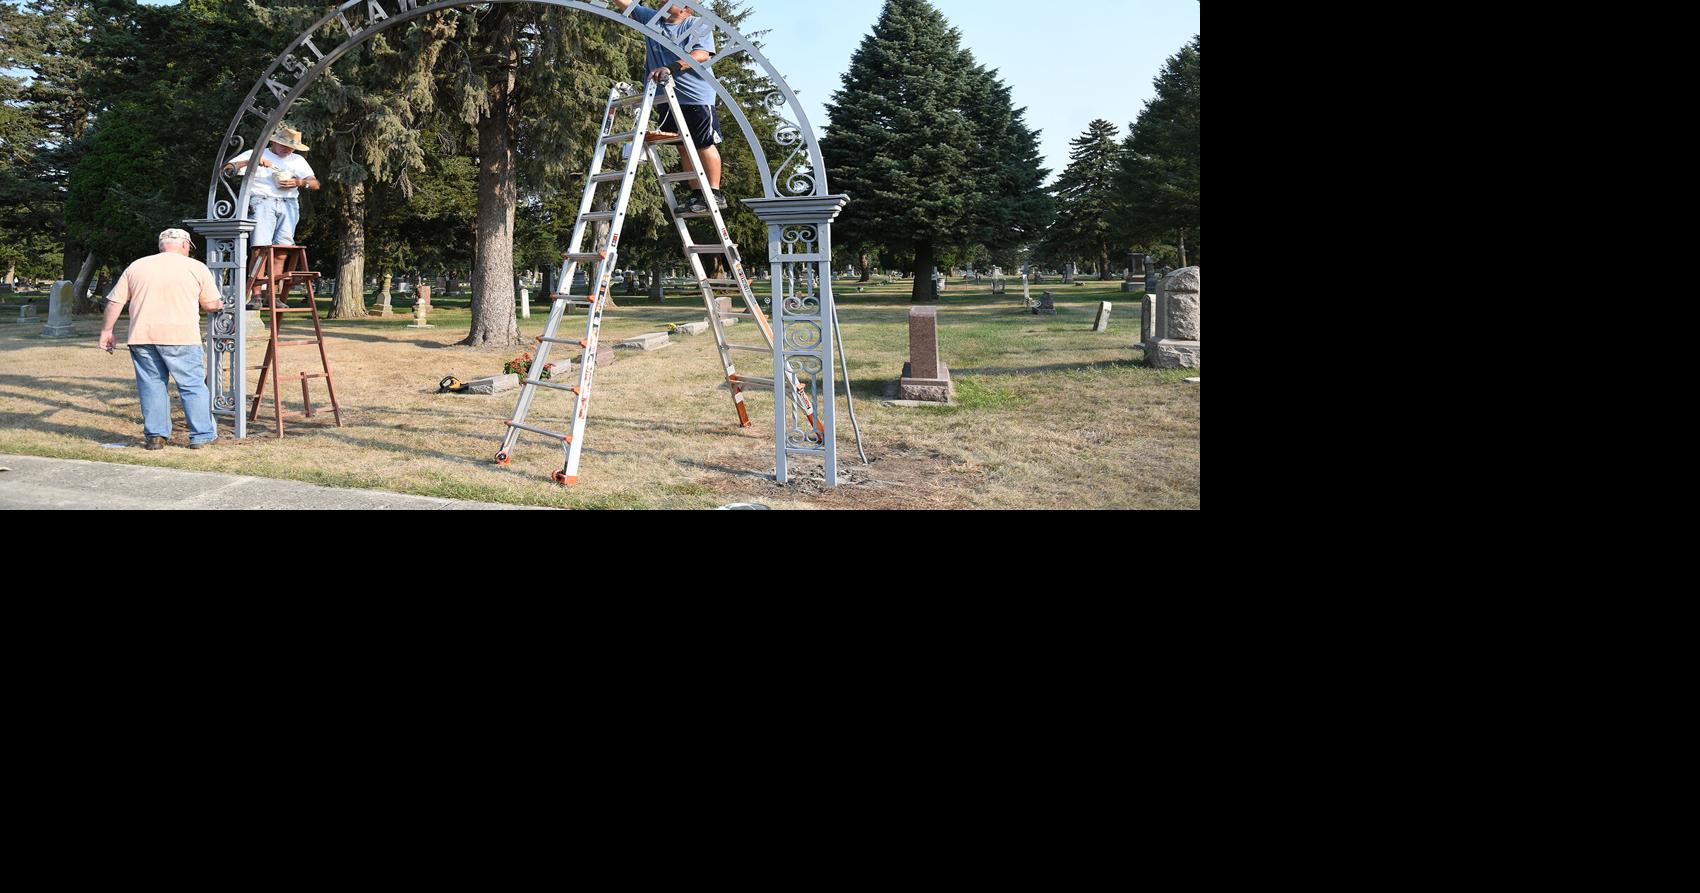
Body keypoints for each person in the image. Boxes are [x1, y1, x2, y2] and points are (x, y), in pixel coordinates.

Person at [99, 229, 225, 450]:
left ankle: (156, 436)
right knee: (192, 386)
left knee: (152, 386)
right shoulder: (196, 267)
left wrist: (107, 331)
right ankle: (201, 435)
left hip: (142, 336)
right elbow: (209, 305)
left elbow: (115, 302)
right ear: (185, 245)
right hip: (182, 336)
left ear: (161, 245)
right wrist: (221, 304)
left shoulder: (137, 266)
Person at [613, 0, 726, 214]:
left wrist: (671, 68)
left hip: (695, 96)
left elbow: (702, 54)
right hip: (667, 97)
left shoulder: (696, 24)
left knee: (703, 143)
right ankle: (697, 194)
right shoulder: (652, 19)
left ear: (685, 5)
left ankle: (714, 193)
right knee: (682, 145)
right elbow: (624, 3)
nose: (662, 0)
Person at [223, 126, 319, 249]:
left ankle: (275, 263)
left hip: (289, 204)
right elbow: (226, 169)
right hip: (262, 202)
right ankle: (260, 263)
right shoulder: (256, 154)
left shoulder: (297, 159)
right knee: (260, 248)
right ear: (274, 142)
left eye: (292, 147)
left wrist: (299, 182)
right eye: (285, 145)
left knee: (284, 248)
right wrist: (251, 161)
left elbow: (315, 184)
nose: (288, 150)